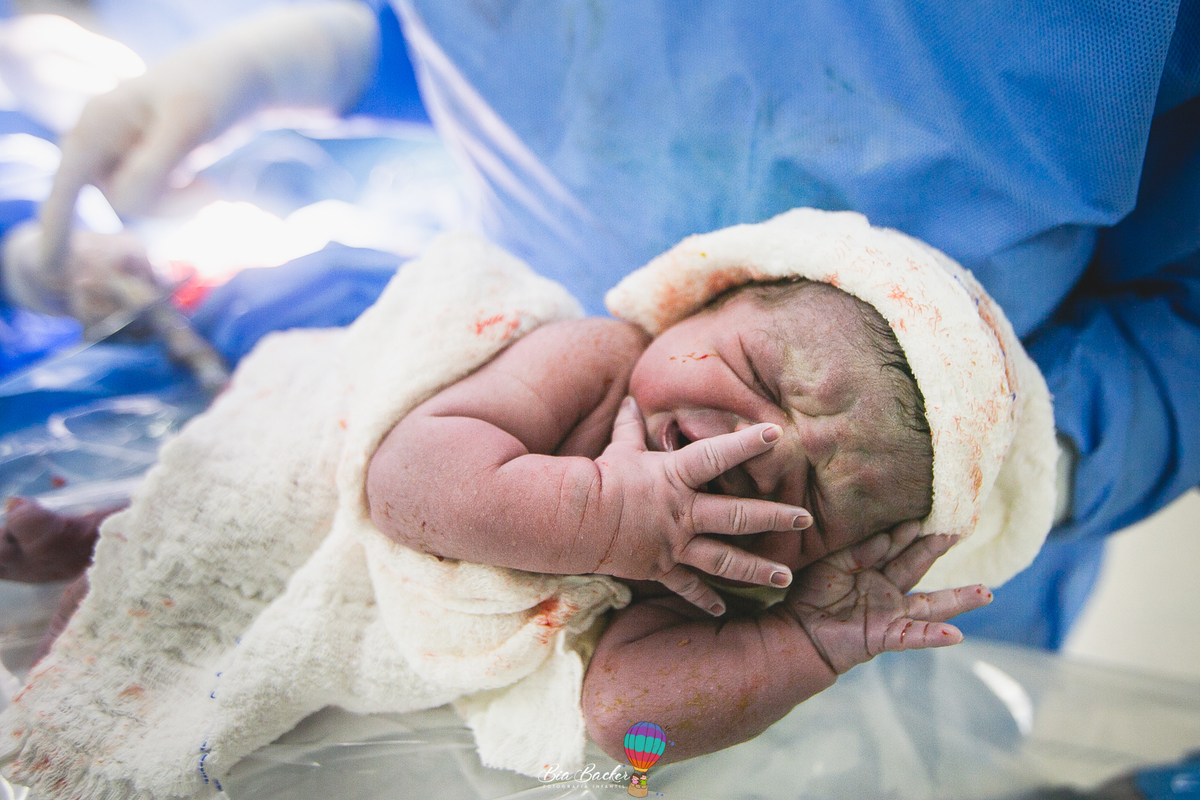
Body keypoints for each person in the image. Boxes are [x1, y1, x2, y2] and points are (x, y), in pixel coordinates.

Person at [29, 0, 1200, 649]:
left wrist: (809, 644)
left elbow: (628, 730)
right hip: (416, 444)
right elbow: (391, 481)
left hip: (945, 479)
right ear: (691, 299)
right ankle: (107, 538)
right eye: (753, 371)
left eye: (810, 487)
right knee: (253, 500)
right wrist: (328, 52)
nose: (748, 444)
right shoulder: (585, 358)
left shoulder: (736, 579)